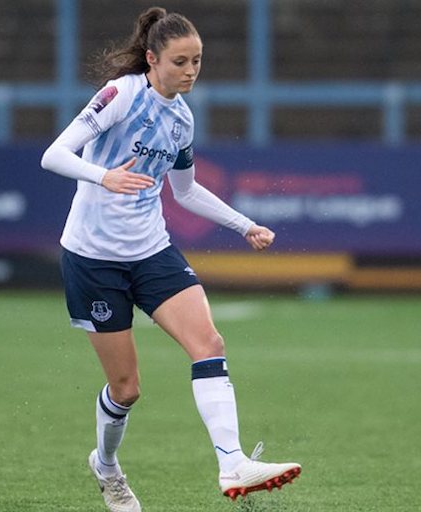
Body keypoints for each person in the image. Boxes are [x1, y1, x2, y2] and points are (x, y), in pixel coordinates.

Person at [40, 7, 301, 512]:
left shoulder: (181, 119)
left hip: (151, 250)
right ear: (153, 58)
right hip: (92, 259)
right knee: (127, 388)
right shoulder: (121, 95)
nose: (190, 71)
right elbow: (54, 155)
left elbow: (184, 191)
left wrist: (243, 224)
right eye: (180, 61)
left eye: (197, 62)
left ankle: (233, 464)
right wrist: (104, 177)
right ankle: (108, 467)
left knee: (208, 342)